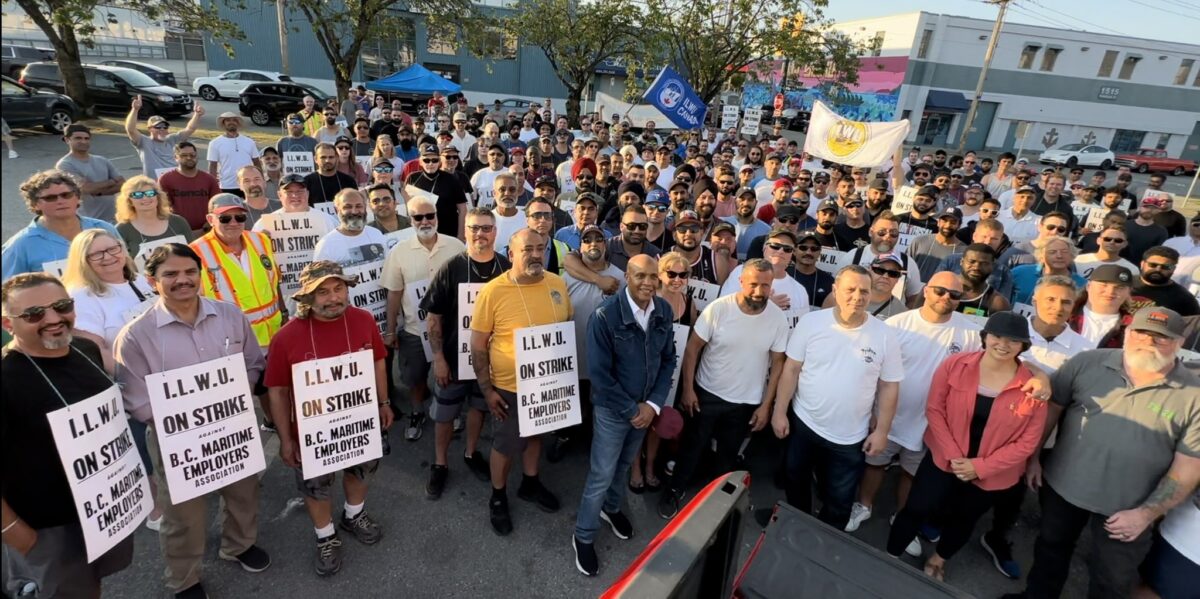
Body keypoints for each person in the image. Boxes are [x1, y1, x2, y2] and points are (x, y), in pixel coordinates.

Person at [1007, 307, 1200, 599]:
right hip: (1063, 487)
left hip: (1129, 508)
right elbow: (1051, 411)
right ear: (1128, 332)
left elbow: (1189, 467)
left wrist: (1146, 514)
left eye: (1160, 338)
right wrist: (1033, 459)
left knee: (1112, 578)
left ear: (1179, 343)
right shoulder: (1087, 363)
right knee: (1050, 549)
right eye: (1141, 333)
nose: (1148, 342)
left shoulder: (1194, 396)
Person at [113, 244, 270, 598]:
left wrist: (232, 394)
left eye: (189, 272)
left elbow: (252, 361)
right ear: (153, 281)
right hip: (176, 439)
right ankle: (184, 578)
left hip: (233, 425)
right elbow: (137, 401)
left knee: (244, 491)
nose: (182, 280)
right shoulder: (136, 336)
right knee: (183, 514)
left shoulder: (230, 315)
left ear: (201, 275)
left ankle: (238, 545)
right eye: (170, 274)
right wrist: (190, 417)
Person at [1, 273, 134, 597]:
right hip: (46, 528)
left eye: (61, 306)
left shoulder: (85, 348)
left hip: (103, 510)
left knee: (91, 586)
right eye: (34, 314)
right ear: (7, 324)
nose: (53, 319)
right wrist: (15, 532)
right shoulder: (6, 379)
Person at [887, 312, 1046, 582]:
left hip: (993, 473)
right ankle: (890, 554)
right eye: (997, 336)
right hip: (944, 458)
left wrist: (979, 467)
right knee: (916, 508)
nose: (1003, 345)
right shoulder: (955, 365)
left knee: (964, 520)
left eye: (1013, 340)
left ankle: (939, 560)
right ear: (985, 337)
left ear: (1023, 346)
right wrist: (954, 456)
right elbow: (935, 409)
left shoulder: (1033, 387)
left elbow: (1028, 441)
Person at [265, 261, 394, 577]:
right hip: (313, 432)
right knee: (316, 487)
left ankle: (353, 515)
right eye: (322, 292)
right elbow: (278, 391)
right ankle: (326, 536)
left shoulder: (362, 320)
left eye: (339, 288)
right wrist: (286, 438)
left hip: (360, 421)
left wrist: (384, 402)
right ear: (306, 297)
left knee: (362, 469)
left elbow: (378, 362)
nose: (333, 297)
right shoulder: (286, 337)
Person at [848, 273, 983, 549]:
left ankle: (903, 517)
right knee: (875, 465)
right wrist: (872, 410)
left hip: (931, 425)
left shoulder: (970, 333)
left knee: (913, 474)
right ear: (926, 290)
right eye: (940, 291)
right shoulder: (898, 324)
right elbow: (875, 370)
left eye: (955, 295)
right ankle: (863, 506)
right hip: (889, 416)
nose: (946, 298)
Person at [772, 265, 903, 531]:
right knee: (795, 478)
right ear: (835, 290)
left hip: (850, 436)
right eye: (850, 289)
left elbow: (890, 386)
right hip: (804, 423)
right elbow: (791, 369)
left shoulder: (885, 334)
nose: (857, 296)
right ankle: (797, 524)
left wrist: (882, 433)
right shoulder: (812, 322)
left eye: (864, 291)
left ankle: (823, 539)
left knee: (840, 500)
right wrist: (779, 411)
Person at [659, 259, 789, 519]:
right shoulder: (718, 309)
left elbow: (778, 364)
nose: (758, 291)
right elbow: (693, 348)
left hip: (745, 402)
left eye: (765, 285)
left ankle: (717, 502)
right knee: (692, 446)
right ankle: (675, 489)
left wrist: (766, 405)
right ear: (741, 281)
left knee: (728, 456)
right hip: (707, 393)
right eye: (753, 284)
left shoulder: (777, 318)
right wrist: (688, 389)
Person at [572, 255, 677, 576]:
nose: (647, 283)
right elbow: (600, 376)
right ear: (627, 277)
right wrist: (634, 411)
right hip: (615, 411)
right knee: (602, 473)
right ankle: (583, 535)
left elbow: (668, 360)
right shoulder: (604, 316)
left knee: (621, 466)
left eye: (652, 277)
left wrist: (653, 406)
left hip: (645, 411)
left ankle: (612, 508)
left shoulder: (664, 311)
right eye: (639, 276)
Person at [470, 228, 572, 535]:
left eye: (540, 248)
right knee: (505, 444)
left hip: (547, 383)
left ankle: (530, 482)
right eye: (528, 249)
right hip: (508, 387)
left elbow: (564, 325)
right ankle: (498, 496)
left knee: (536, 435)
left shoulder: (557, 284)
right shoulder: (493, 291)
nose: (536, 254)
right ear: (511, 254)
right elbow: (478, 344)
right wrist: (487, 389)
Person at [420, 208, 510, 498]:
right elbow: (433, 317)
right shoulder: (452, 267)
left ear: (495, 232)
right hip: (454, 358)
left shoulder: (507, 267)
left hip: (492, 362)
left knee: (479, 408)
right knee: (445, 414)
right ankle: (440, 464)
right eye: (474, 228)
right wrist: (439, 359)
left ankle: (471, 453)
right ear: (466, 232)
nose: (480, 234)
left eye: (486, 228)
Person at [381, 196, 466, 440]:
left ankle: (449, 410)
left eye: (430, 216)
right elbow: (394, 292)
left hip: (449, 330)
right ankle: (417, 411)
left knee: (448, 374)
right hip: (414, 331)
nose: (425, 221)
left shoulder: (456, 247)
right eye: (419, 217)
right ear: (411, 220)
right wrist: (390, 330)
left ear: (437, 217)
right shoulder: (399, 251)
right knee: (415, 378)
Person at [190, 194, 284, 350]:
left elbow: (274, 281)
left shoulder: (261, 240)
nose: (233, 223)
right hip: (233, 343)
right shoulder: (195, 252)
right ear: (210, 219)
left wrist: (284, 313)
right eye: (225, 218)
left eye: (239, 217)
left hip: (274, 335)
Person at [61, 229, 154, 374]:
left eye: (112, 249)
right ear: (82, 261)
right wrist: (134, 376)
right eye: (96, 254)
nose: (108, 257)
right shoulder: (82, 296)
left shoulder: (139, 279)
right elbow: (95, 349)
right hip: (130, 377)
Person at [2, 170, 120, 279]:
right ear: (35, 204)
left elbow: (127, 268)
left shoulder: (103, 229)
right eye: (50, 198)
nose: (60, 201)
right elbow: (7, 290)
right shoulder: (21, 245)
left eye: (66, 195)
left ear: (77, 197)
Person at [114, 175, 196, 260]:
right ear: (129, 201)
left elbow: (194, 253)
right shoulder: (122, 230)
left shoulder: (178, 222)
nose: (145, 198)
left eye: (150, 193)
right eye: (137, 195)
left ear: (158, 197)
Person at [56, 123, 123, 222]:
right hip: (88, 221)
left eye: (86, 138)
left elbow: (122, 183)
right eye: (78, 138)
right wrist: (112, 182)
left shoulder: (102, 160)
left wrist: (98, 192)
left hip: (114, 219)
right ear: (67, 140)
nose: (83, 141)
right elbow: (85, 188)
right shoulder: (65, 164)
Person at [125, 96, 203, 180]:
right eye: (158, 127)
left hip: (174, 182)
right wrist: (135, 110)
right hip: (154, 184)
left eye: (165, 126)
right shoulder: (144, 142)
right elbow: (131, 130)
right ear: (150, 129)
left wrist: (197, 115)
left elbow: (190, 129)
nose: (162, 129)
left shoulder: (173, 139)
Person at [405, 144, 468, 238]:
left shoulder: (451, 179)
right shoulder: (412, 178)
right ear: (420, 162)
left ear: (439, 162)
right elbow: (407, 206)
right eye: (426, 160)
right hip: (422, 231)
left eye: (434, 160)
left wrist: (461, 235)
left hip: (448, 232)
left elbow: (463, 209)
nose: (430, 164)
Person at [313, 189, 388, 265]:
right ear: (337, 210)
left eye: (358, 206)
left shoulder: (376, 234)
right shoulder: (326, 245)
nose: (354, 211)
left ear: (365, 208)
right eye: (348, 207)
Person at [159, 142, 222, 232]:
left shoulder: (209, 179)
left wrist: (210, 222)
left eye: (192, 155)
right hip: (179, 230)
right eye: (184, 155)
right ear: (176, 158)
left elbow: (217, 204)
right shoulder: (166, 179)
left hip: (206, 229)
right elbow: (163, 207)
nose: (189, 158)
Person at [1009, 237, 1086, 307]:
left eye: (1064, 252)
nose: (1059, 256)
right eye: (1052, 252)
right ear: (1041, 256)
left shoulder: (1083, 285)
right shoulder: (1019, 273)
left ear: (1072, 256)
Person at [1130, 246, 1200, 316]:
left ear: (1173, 269)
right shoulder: (1125, 283)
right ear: (1142, 264)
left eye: (1166, 267)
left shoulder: (1184, 298)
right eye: (1153, 265)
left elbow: (1192, 324)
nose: (1158, 269)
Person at [207, 113, 262, 196]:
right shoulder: (214, 143)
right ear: (223, 123)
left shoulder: (249, 142)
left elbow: (257, 162)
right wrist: (212, 186)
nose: (231, 122)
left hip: (249, 185)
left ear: (238, 123)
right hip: (226, 186)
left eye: (234, 120)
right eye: (228, 120)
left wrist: (261, 181)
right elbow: (212, 166)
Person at [908, 207, 965, 282]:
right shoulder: (919, 241)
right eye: (944, 221)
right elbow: (906, 266)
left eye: (953, 222)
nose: (947, 225)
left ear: (959, 225)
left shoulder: (964, 251)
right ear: (938, 222)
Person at [722, 187, 772, 259]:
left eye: (750, 200)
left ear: (756, 202)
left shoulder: (766, 230)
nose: (746, 203)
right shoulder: (722, 223)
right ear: (735, 201)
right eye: (742, 199)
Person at [1074, 223, 1139, 278]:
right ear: (1098, 240)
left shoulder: (1131, 269)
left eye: (1118, 240)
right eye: (1107, 239)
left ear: (1125, 244)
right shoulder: (1077, 261)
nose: (1112, 242)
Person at [304, 143, 358, 207]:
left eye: (331, 157)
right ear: (315, 159)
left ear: (337, 158)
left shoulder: (349, 181)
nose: (327, 160)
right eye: (323, 157)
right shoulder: (306, 182)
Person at [1125, 196, 1170, 263]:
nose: (1149, 210)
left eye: (1153, 208)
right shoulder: (1124, 225)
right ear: (1139, 208)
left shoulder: (1161, 231)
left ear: (1158, 211)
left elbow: (1157, 253)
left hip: (1142, 266)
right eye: (1146, 207)